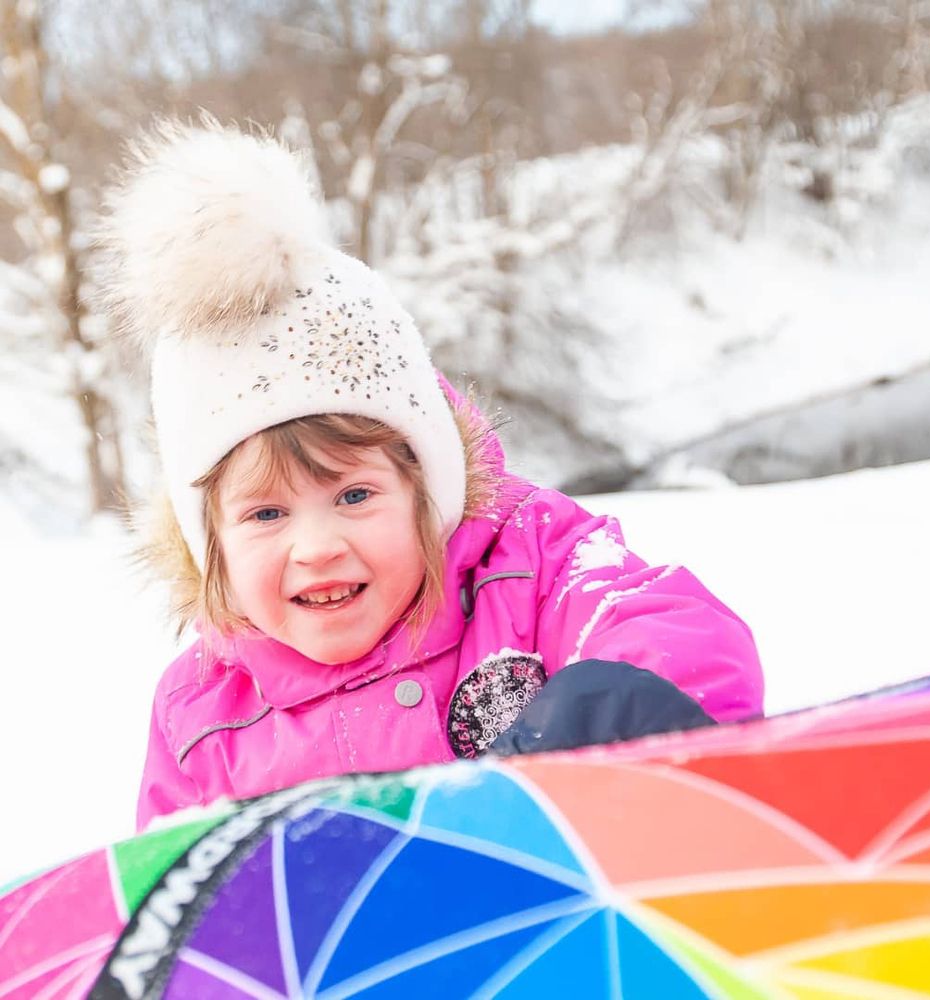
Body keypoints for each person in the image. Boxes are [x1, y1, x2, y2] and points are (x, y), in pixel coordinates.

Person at [97, 121, 764, 831]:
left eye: (354, 494)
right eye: (266, 515)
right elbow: (169, 897)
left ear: (427, 485)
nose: (316, 546)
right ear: (211, 542)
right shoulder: (200, 720)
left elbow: (688, 644)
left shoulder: (530, 570)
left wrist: (549, 756)